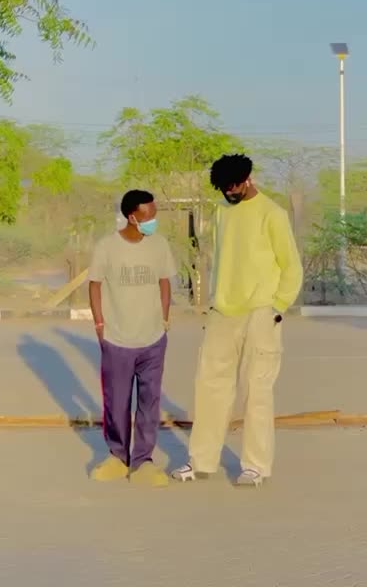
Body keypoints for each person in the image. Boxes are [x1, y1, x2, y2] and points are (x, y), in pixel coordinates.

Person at [172, 154, 303, 487]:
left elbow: (291, 266)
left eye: (233, 187)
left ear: (248, 180)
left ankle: (255, 466)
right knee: (209, 387)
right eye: (224, 189)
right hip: (222, 312)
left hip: (261, 311)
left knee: (257, 389)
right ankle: (201, 461)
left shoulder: (272, 214)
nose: (229, 193)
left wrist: (277, 307)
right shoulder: (222, 213)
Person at [88, 189, 176, 487]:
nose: (153, 220)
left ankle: (143, 461)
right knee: (117, 401)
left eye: (154, 214)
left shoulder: (159, 245)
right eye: (147, 216)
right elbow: (95, 284)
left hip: (153, 338)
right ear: (131, 217)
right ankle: (117, 456)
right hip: (118, 338)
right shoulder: (107, 247)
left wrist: (164, 319)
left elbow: (164, 281)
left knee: (149, 402)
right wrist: (100, 324)